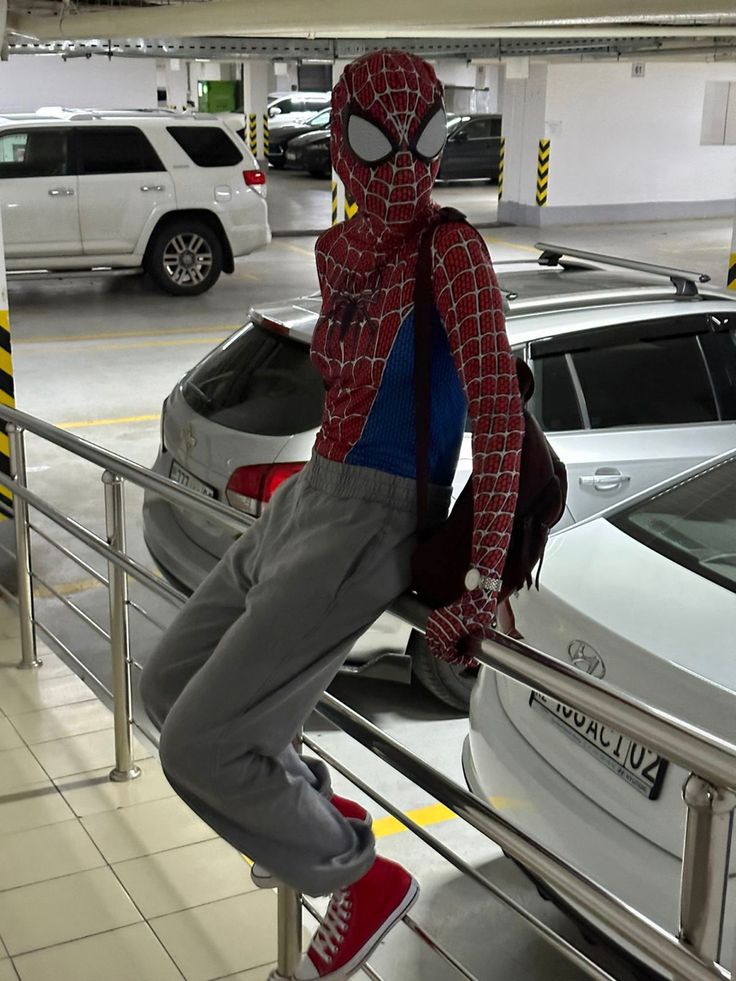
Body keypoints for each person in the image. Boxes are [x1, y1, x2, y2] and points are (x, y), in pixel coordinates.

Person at [140, 49, 523, 981]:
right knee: (165, 693)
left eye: (424, 137)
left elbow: (500, 413)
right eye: (374, 140)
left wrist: (479, 584)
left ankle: (362, 876)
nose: (404, 163)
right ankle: (315, 813)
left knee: (202, 744)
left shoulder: (451, 249)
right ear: (345, 148)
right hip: (312, 492)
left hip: (373, 518)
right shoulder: (347, 254)